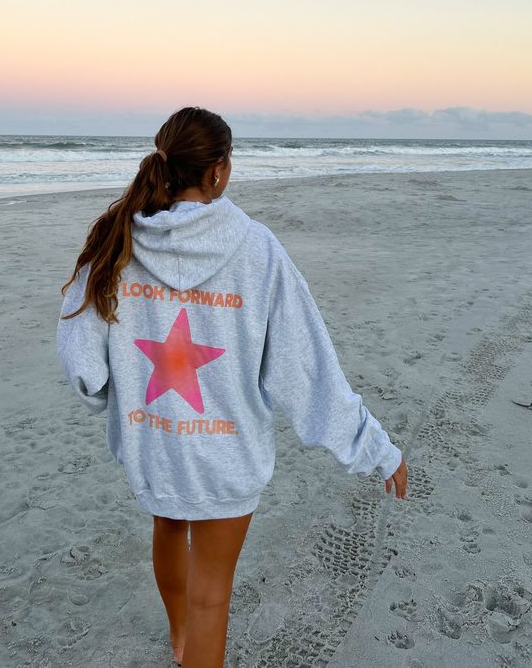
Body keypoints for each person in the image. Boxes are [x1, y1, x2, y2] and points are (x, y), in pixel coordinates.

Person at [57, 106, 408, 668]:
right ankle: (190, 642)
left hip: (153, 443)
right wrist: (373, 446)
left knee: (168, 523)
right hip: (228, 452)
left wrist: (109, 395)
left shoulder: (117, 240)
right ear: (218, 170)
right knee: (212, 598)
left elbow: (81, 358)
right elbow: (305, 365)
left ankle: (180, 642)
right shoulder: (256, 249)